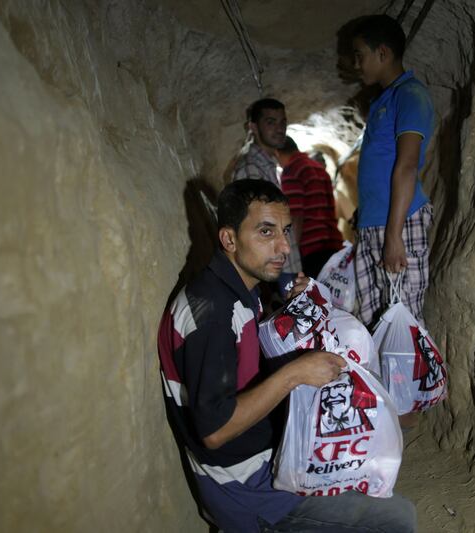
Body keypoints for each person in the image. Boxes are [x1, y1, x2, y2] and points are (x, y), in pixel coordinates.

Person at [158, 178, 416, 532]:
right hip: (246, 485)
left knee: (371, 464)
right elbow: (215, 432)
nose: (282, 246)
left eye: (285, 230)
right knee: (396, 519)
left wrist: (293, 311)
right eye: (266, 232)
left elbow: (250, 353)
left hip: (269, 450)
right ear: (229, 239)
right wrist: (294, 373)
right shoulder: (212, 315)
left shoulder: (242, 290)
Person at [349, 15, 435, 329]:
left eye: (360, 55)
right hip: (376, 223)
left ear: (382, 53)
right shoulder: (382, 101)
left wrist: (394, 235)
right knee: (373, 323)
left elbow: (407, 165)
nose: (356, 64)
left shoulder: (410, 95)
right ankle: (380, 381)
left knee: (403, 323)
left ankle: (412, 381)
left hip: (399, 222)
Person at [233, 98, 302, 293]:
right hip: (272, 267)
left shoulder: (268, 166)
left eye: (282, 122)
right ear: (253, 127)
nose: (279, 128)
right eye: (270, 122)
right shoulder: (251, 168)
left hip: (282, 263)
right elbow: (256, 227)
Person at [276, 136, 344, 279]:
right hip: (335, 245)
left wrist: (290, 252)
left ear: (277, 153)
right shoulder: (319, 169)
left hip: (312, 250)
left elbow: (296, 216)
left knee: (316, 299)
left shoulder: (291, 171)